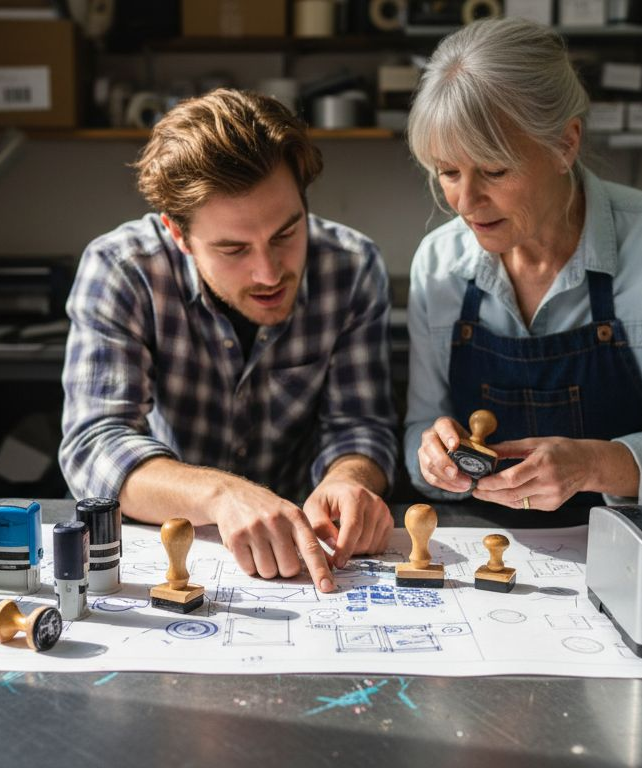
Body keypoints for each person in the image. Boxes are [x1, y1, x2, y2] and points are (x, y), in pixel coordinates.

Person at [60, 89, 397, 593]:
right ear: (178, 234)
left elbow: (360, 424)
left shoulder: (352, 267)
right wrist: (220, 495)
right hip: (175, 549)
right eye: (233, 248)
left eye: (286, 233)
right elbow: (95, 446)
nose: (269, 272)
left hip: (312, 555)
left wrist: (350, 479)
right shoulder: (121, 269)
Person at [403, 18, 642, 511]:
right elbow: (420, 427)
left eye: (494, 170)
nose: (466, 201)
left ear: (565, 144)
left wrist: (592, 464)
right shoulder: (438, 261)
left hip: (631, 547)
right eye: (448, 172)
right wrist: (431, 457)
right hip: (486, 553)